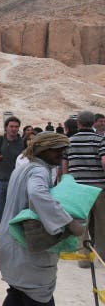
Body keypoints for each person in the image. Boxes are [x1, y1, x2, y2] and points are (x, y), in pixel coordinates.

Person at [0, 132, 86, 306]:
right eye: (57, 151)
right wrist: (68, 222)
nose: (61, 155)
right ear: (44, 150)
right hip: (25, 245)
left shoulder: (23, 167)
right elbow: (37, 195)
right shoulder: (38, 171)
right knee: (39, 298)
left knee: (20, 292)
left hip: (11, 241)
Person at [60, 111, 105, 265]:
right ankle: (102, 256)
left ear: (78, 124)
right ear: (93, 123)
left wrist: (67, 183)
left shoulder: (69, 142)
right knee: (101, 223)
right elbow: (104, 161)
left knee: (82, 224)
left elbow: (64, 166)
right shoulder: (100, 139)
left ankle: (84, 259)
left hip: (78, 190)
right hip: (99, 189)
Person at [0, 116, 25, 230]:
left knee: (16, 212)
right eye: (11, 126)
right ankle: (0, 236)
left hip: (17, 183)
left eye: (16, 127)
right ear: (6, 128)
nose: (14, 129)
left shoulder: (23, 143)